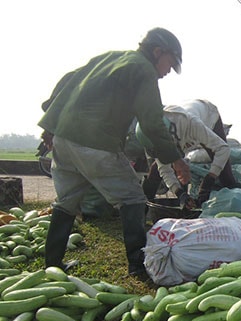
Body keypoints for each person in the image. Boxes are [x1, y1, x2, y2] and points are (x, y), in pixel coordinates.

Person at [38, 27, 189, 278]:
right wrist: (175, 159)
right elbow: (152, 122)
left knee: (67, 202)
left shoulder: (108, 58)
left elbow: (67, 80)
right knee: (133, 199)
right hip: (96, 143)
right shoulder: (144, 69)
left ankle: (52, 264)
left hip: (64, 139)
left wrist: (50, 123)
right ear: (157, 51)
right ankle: (139, 266)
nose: (167, 72)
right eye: (169, 64)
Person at [141, 99, 239, 201]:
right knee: (155, 170)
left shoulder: (191, 124)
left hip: (207, 115)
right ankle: (144, 205)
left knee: (224, 173)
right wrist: (179, 192)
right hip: (183, 132)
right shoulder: (155, 134)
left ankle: (238, 202)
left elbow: (223, 149)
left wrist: (210, 178)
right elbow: (164, 169)